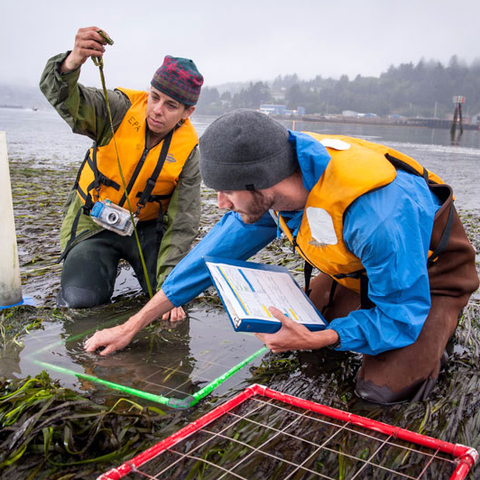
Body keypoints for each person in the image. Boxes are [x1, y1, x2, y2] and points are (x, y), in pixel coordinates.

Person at [85, 110, 478, 405]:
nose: (220, 203)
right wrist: (133, 324)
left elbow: (399, 315)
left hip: (430, 277)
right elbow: (209, 257)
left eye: (226, 191)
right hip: (355, 269)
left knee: (378, 392)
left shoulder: (375, 217)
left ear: (261, 182)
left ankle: (439, 330)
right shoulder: (276, 188)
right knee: (313, 347)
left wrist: (321, 336)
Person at [40, 27, 203, 311]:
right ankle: (96, 267)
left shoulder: (188, 153)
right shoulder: (118, 108)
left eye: (171, 105)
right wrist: (72, 62)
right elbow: (66, 100)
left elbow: (182, 225)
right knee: (79, 302)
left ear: (187, 112)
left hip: (146, 231)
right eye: (154, 97)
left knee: (174, 301)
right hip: (95, 223)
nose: (156, 110)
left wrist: (170, 292)